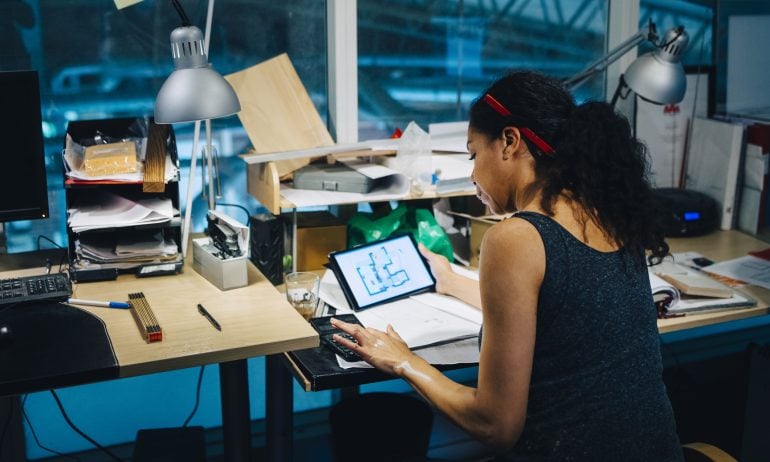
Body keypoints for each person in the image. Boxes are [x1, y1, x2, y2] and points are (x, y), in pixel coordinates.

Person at [331, 70, 683, 461]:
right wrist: (450, 281)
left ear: (510, 141)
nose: (472, 175)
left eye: (473, 154)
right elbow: (561, 307)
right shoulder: (612, 211)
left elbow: (494, 426)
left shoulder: (516, 238)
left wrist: (403, 360)